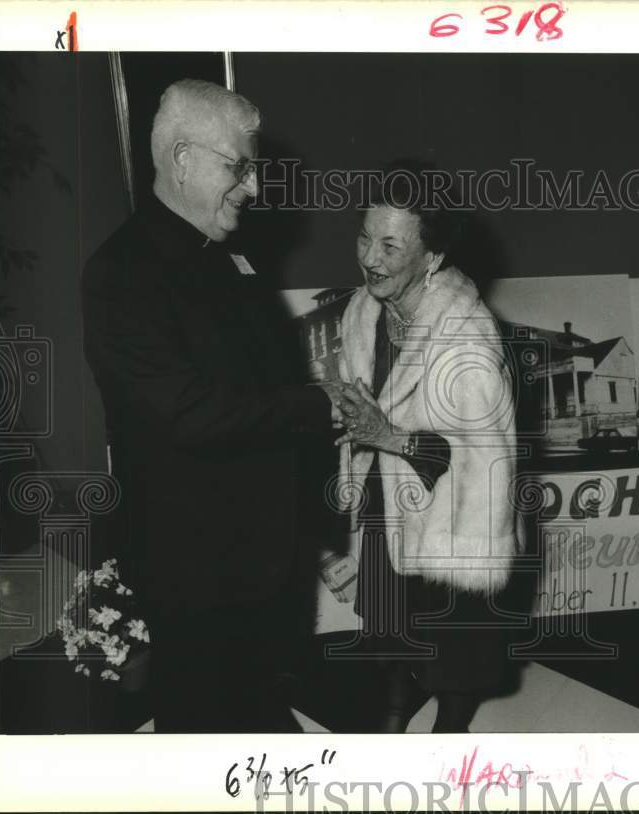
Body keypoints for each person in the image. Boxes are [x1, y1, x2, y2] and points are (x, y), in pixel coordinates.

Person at [81, 79, 339, 733]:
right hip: (195, 576)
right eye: (238, 167)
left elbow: (264, 381)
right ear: (183, 158)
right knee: (202, 731)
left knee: (254, 715)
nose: (252, 188)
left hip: (262, 564)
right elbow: (187, 413)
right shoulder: (121, 273)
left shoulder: (230, 259)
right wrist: (314, 405)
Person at [333, 169, 522, 733]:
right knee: (391, 626)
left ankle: (450, 735)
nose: (370, 257)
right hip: (388, 505)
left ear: (433, 257)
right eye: (366, 237)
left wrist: (384, 435)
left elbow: (478, 458)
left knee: (453, 648)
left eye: (391, 244)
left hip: (450, 516)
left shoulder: (468, 337)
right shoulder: (362, 312)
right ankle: (393, 716)